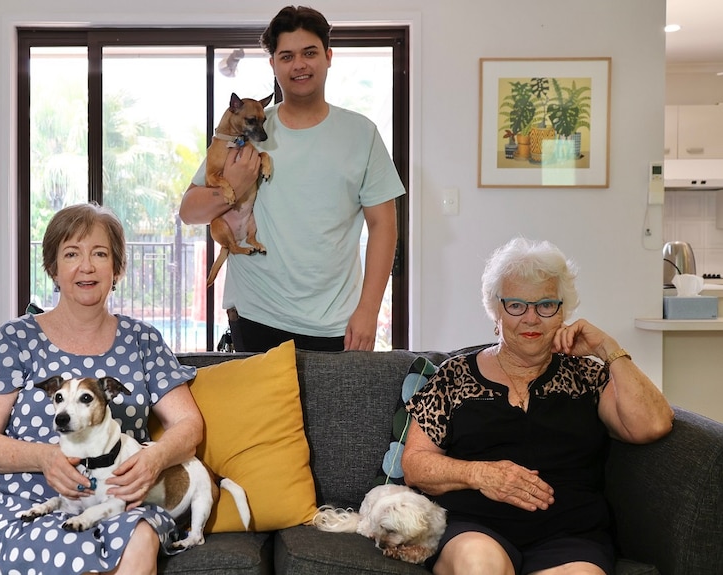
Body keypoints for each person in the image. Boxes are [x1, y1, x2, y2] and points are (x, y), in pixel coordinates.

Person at [0, 203, 204, 575]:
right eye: (72, 254)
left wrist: (156, 458)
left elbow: (188, 425)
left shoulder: (142, 340)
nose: (87, 266)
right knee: (77, 551)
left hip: (114, 501)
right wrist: (44, 458)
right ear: (53, 268)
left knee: (141, 538)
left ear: (116, 269)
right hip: (16, 499)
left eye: (100, 254)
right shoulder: (16, 338)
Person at [401, 237, 674, 575]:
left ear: (562, 311)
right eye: (516, 305)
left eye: (546, 305)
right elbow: (415, 464)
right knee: (479, 565)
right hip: (475, 526)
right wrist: (480, 474)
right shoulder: (454, 376)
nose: (531, 318)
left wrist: (608, 348)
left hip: (569, 534)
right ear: (496, 310)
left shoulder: (587, 376)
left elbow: (653, 425)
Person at [179, 5, 406, 352]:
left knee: (338, 409)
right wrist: (232, 190)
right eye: (286, 56)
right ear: (273, 64)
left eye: (309, 53)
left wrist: (369, 310)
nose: (299, 64)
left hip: (336, 321)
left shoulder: (362, 134)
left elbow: (384, 226)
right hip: (255, 313)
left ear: (328, 57)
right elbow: (189, 211)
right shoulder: (244, 134)